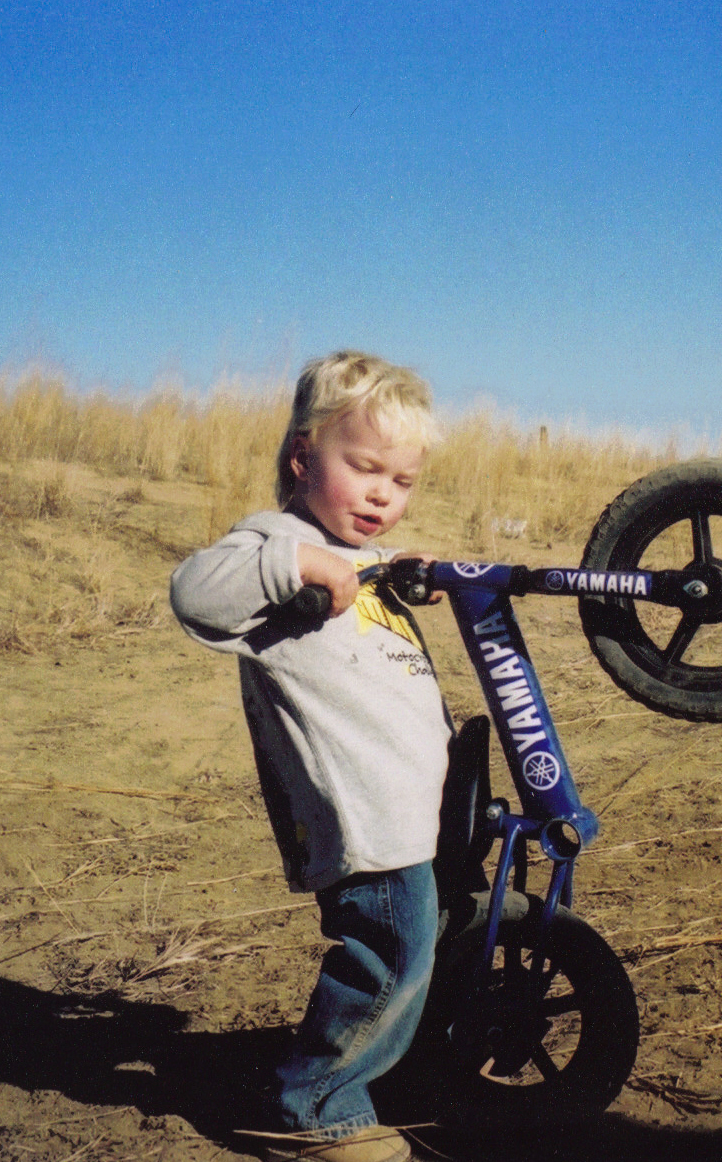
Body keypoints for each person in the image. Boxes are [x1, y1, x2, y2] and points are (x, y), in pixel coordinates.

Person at [169, 351, 450, 1162]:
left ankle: (390, 1058)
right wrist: (294, 564)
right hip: (362, 813)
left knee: (416, 944)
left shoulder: (355, 557)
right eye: (362, 468)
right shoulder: (273, 544)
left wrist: (398, 578)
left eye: (400, 482)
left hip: (408, 805)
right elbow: (194, 592)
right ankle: (313, 1109)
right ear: (301, 458)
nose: (380, 494)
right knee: (388, 955)